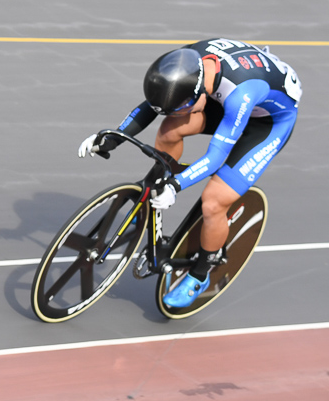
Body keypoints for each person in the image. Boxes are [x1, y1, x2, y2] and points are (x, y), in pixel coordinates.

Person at [77, 38, 300, 309]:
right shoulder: (186, 62)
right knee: (171, 127)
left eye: (184, 105)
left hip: (267, 122)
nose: (178, 111)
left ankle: (200, 274)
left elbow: (216, 157)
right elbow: (154, 104)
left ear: (197, 93)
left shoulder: (241, 94)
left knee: (214, 200)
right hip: (225, 96)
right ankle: (153, 193)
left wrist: (176, 185)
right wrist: (113, 137)